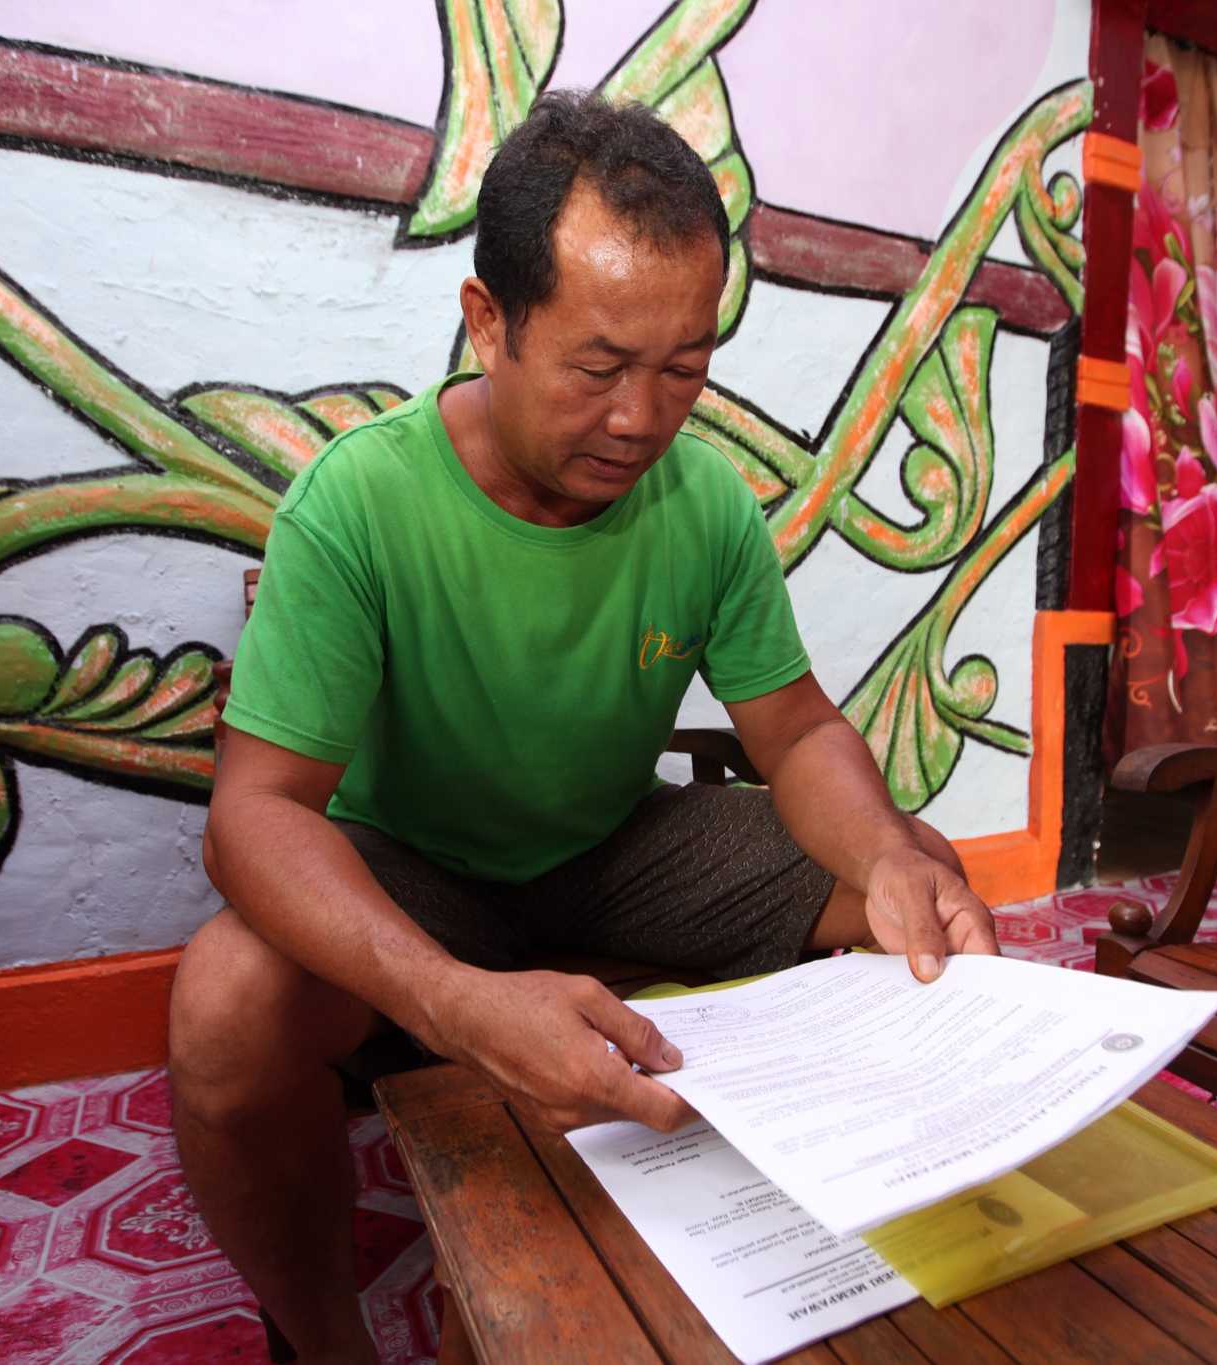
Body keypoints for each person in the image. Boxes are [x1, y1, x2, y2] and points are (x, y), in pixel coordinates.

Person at [171, 90, 999, 1363]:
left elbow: (793, 733)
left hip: (614, 849)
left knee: (919, 885)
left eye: (682, 371)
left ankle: (832, 1246)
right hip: (416, 871)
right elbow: (256, 816)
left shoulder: (704, 504)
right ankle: (326, 1338)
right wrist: (450, 1001)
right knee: (226, 1007)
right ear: (487, 321)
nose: (639, 419)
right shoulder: (358, 504)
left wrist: (883, 853)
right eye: (600, 367)